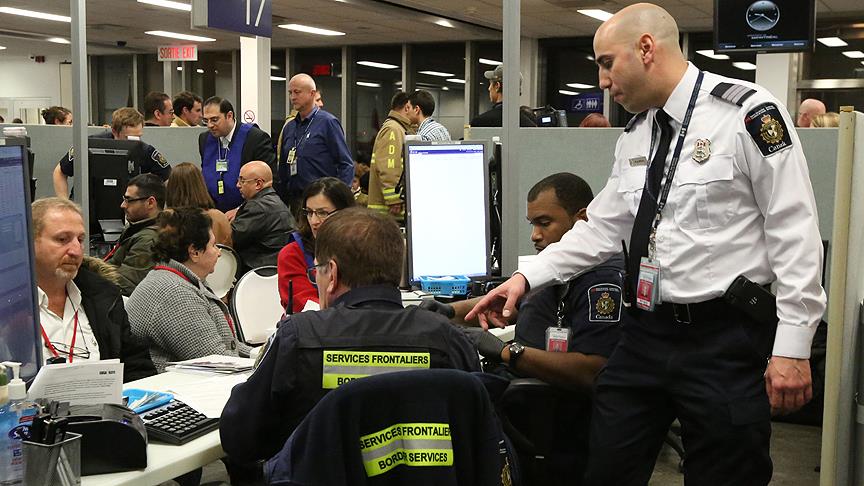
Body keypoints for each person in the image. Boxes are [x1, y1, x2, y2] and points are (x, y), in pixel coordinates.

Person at [467, 4, 825, 485]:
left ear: (647, 49)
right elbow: (599, 229)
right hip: (644, 335)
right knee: (607, 467)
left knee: (727, 473)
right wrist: (525, 277)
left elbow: (794, 229)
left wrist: (794, 346)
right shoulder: (638, 134)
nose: (601, 81)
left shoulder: (746, 115)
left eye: (606, 62)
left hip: (723, 337)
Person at [220, 207, 481, 464]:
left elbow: (239, 438)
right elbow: (478, 438)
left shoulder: (298, 337)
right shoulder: (448, 339)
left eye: (316, 272)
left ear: (331, 274)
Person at [428, 173, 627, 389]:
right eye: (533, 224)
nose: (534, 235)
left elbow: (593, 370)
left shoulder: (602, 281)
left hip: (541, 401)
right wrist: (445, 313)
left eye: (544, 223)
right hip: (512, 383)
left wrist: (506, 352)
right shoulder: (549, 269)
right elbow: (506, 307)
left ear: (582, 220)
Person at [31, 197, 156, 382]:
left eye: (80, 240)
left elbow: (137, 368)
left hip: (104, 408)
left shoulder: (104, 296)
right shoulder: (9, 306)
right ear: (29, 242)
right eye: (62, 239)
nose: (75, 250)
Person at [127, 208, 251, 373]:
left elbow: (224, 347)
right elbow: (216, 363)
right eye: (213, 245)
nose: (219, 253)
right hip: (180, 392)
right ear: (194, 252)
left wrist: (259, 353)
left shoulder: (177, 280)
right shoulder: (175, 294)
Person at [52, 107, 171, 198]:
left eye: (138, 137)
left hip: (126, 206)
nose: (135, 143)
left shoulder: (145, 150)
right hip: (89, 203)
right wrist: (65, 204)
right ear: (115, 131)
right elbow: (60, 172)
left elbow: (167, 177)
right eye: (128, 138)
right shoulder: (89, 145)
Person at [277, 74, 354, 213]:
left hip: (323, 200)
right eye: (290, 93)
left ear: (312, 93)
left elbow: (345, 163)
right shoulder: (289, 127)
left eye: (297, 92)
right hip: (296, 201)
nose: (292, 97)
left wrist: (340, 199)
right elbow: (283, 168)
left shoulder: (327, 122)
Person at [277, 177, 354, 313]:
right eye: (309, 212)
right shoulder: (292, 253)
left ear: (345, 213)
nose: (314, 221)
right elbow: (302, 302)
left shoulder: (361, 248)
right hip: (312, 327)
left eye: (322, 213)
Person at [198, 96, 276, 212]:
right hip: (214, 211)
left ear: (229, 116)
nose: (209, 125)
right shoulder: (204, 139)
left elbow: (268, 184)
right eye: (206, 120)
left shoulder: (255, 138)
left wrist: (240, 210)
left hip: (248, 212)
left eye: (214, 120)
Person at [104, 173, 163, 296]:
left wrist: (88, 278)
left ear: (150, 203)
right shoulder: (135, 228)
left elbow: (126, 285)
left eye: (129, 200)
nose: (123, 205)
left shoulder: (149, 240)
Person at [231, 161, 295, 273]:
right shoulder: (273, 201)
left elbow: (231, 238)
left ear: (258, 184)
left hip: (259, 273)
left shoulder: (258, 207)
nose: (238, 185)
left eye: (242, 180)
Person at [367, 91, 414, 219]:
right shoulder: (393, 129)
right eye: (412, 108)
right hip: (387, 212)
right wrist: (394, 198)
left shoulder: (398, 128)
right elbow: (389, 166)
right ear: (407, 107)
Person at [165, 162, 232, 246]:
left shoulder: (167, 221)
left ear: (171, 188)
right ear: (201, 185)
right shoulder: (218, 217)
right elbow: (229, 252)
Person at [470, 64, 537, 127]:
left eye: (490, 84)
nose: (489, 88)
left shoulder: (480, 122)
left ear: (497, 86)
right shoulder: (530, 125)